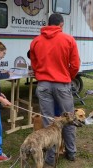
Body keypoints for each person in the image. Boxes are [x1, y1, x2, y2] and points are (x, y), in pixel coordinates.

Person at [29, 13, 80, 166]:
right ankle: (71, 152)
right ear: (61, 25)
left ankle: (50, 157)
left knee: (48, 121)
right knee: (69, 119)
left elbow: (34, 63)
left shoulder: (36, 41)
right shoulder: (69, 39)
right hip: (62, 84)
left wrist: (41, 75)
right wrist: (67, 77)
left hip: (43, 84)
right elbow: (75, 65)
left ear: (48, 24)